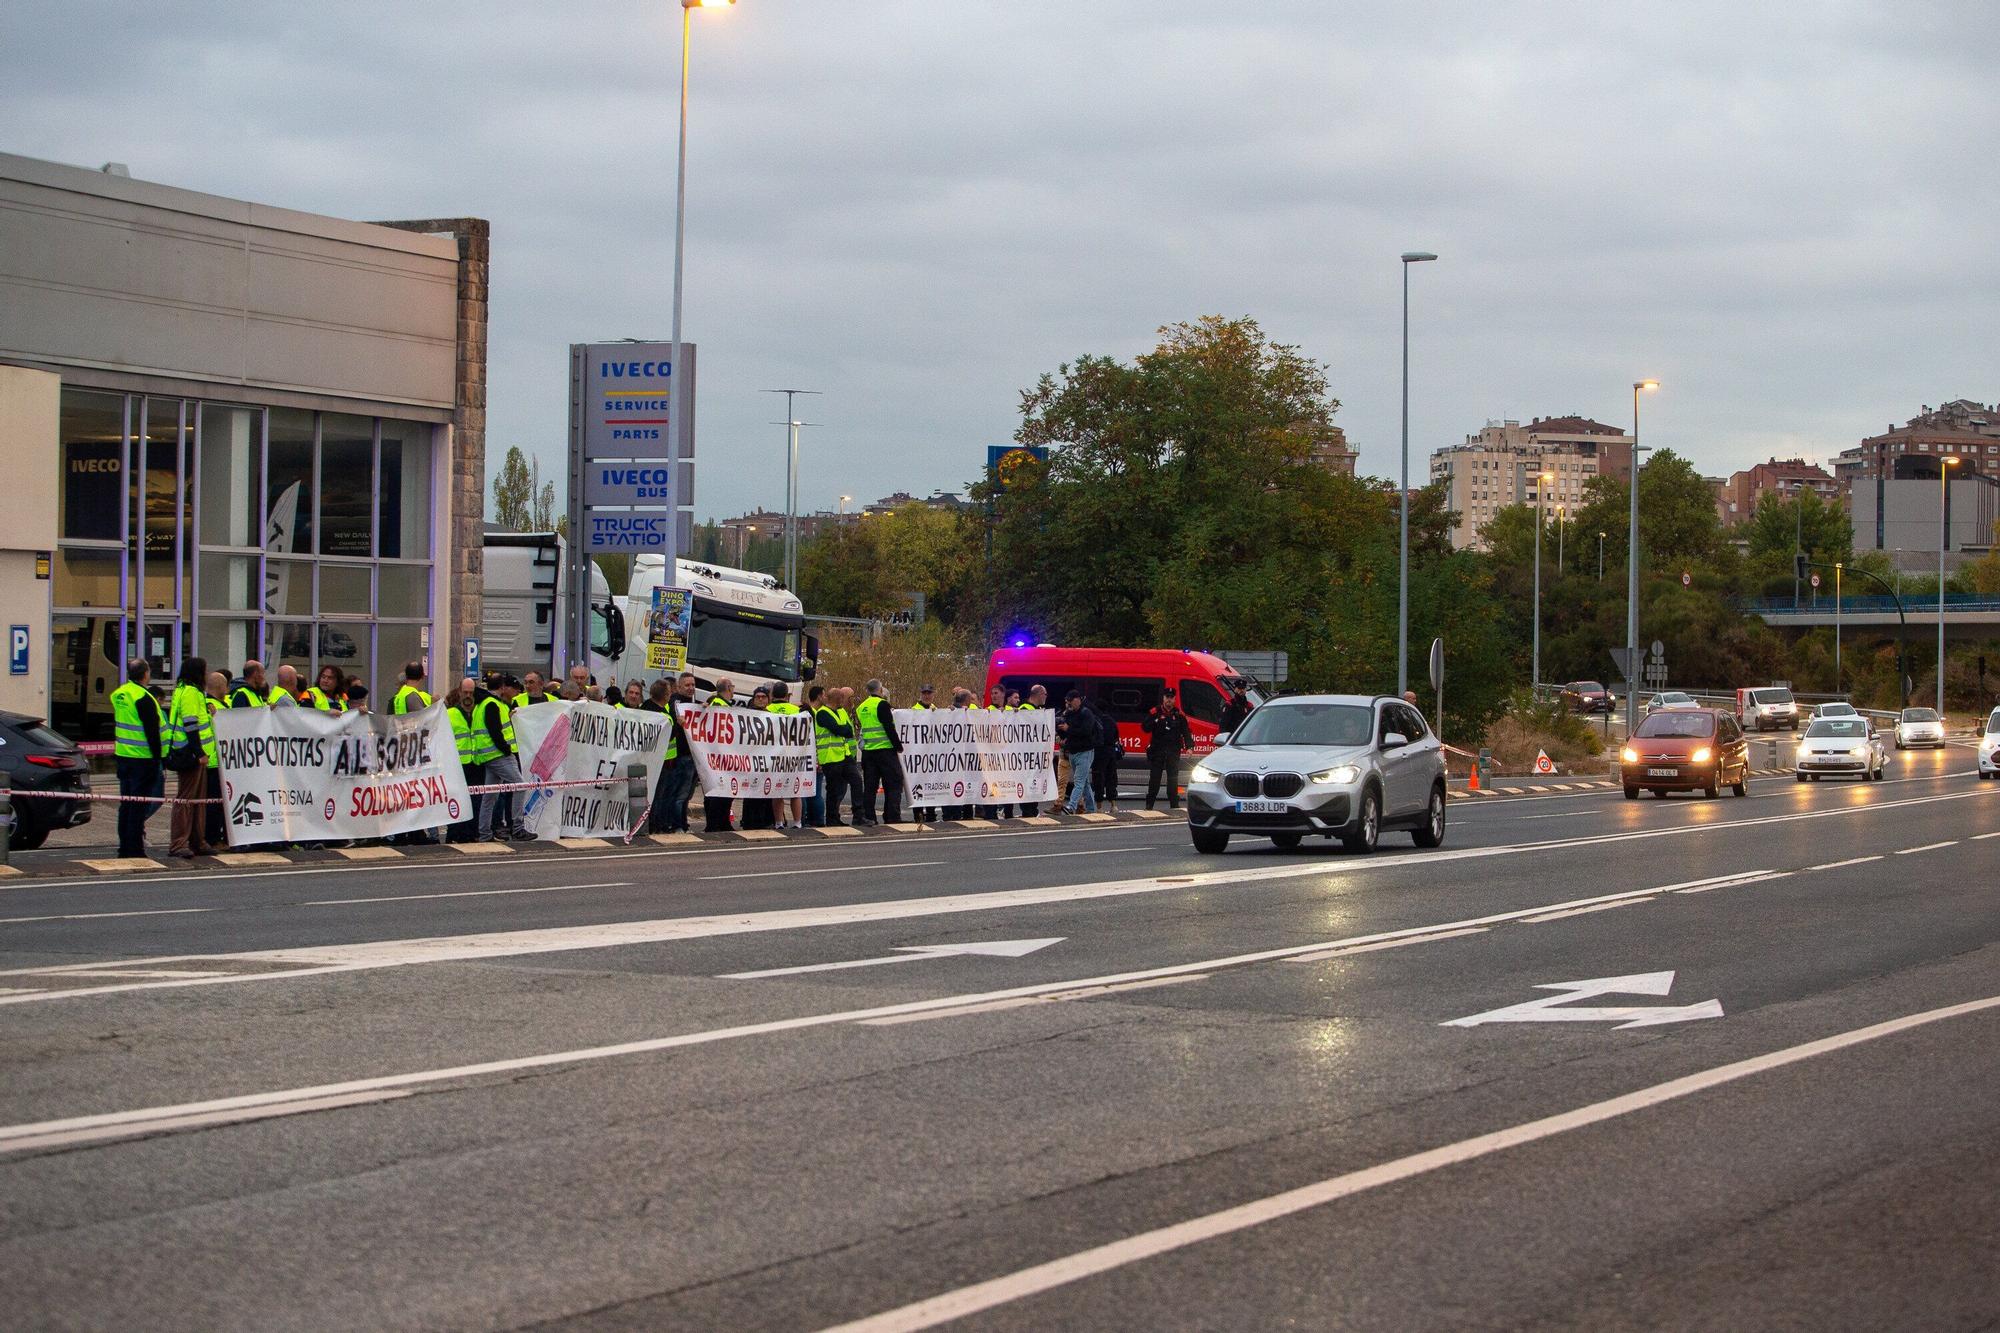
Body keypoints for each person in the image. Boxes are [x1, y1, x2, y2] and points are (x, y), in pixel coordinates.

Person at [110, 658, 166, 859]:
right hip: (142, 759)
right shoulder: (144, 697)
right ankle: (135, 849)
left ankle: (125, 846)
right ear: (145, 674)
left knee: (126, 804)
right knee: (138, 806)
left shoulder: (120, 694)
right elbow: (152, 732)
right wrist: (157, 759)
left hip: (123, 756)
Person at [164, 656, 215, 859]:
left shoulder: (184, 690)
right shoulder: (191, 693)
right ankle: (180, 843)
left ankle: (197, 841)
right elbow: (191, 725)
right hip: (191, 754)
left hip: (189, 752)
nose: (207, 674)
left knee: (197, 800)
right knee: (186, 800)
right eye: (204, 670)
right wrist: (200, 753)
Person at [473, 673, 526, 841]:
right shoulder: (492, 704)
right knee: (520, 786)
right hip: (499, 755)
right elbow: (495, 731)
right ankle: (518, 828)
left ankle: (485, 833)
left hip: (489, 755)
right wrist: (506, 750)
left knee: (490, 795)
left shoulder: (484, 703)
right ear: (502, 688)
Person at [656, 673, 700, 834]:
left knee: (686, 795)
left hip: (692, 756)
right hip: (680, 756)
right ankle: (676, 825)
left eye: (693, 685)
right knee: (678, 794)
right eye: (687, 685)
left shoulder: (693, 703)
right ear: (679, 687)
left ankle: (681, 823)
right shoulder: (675, 702)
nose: (691, 688)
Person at [856, 678, 904, 824]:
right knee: (894, 783)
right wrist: (898, 746)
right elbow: (889, 727)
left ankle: (869, 816)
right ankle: (892, 816)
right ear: (880, 690)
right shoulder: (882, 705)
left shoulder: (861, 707)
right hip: (885, 750)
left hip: (869, 752)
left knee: (870, 787)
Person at [1143, 687, 1193, 810]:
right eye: (1167, 697)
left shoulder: (1179, 714)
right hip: (1157, 751)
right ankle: (1149, 805)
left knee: (1173, 779)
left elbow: (1186, 731)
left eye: (1171, 698)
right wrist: (1156, 721)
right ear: (1163, 698)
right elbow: (1145, 727)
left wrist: (1189, 746)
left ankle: (1174, 804)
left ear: (1174, 699)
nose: (1168, 700)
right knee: (1154, 779)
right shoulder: (1155, 712)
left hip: (1173, 751)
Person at [445, 680, 480, 843]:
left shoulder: (478, 712)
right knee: (456, 800)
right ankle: (453, 834)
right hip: (457, 764)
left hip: (476, 763)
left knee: (475, 801)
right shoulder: (450, 713)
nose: (468, 696)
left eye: (471, 693)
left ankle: (470, 834)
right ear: (459, 692)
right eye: (465, 692)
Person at [701, 677, 737, 833]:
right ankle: (714, 824)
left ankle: (723, 822)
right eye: (733, 687)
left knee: (726, 792)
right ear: (728, 688)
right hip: (718, 756)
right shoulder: (718, 705)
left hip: (726, 756)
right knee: (717, 792)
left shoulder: (723, 704)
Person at [767, 682, 804, 830]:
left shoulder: (767, 709)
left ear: (772, 695)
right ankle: (797, 822)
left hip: (774, 755)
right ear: (787, 695)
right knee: (795, 791)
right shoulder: (796, 710)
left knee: (777, 791)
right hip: (793, 755)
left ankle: (779, 823)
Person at [738, 687, 776, 830]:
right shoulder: (746, 714)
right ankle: (749, 821)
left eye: (763, 697)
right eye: (757, 697)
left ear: (768, 699)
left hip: (766, 761)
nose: (760, 699)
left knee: (766, 792)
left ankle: (765, 820)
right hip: (750, 761)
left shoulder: (773, 716)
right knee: (751, 792)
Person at [826, 686, 864, 825]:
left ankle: (858, 815)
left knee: (856, 783)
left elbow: (850, 730)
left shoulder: (846, 712)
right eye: (850, 698)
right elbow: (843, 731)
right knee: (836, 790)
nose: (852, 701)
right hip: (834, 757)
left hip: (848, 756)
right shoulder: (826, 713)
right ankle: (832, 817)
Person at [1059, 690, 1100, 814]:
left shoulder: (1086, 713)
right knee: (1085, 782)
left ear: (1077, 700)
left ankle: (1071, 806)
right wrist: (1062, 728)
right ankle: (1091, 808)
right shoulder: (1069, 714)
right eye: (1067, 702)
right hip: (1073, 751)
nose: (1068, 705)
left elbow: (1086, 731)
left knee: (1078, 780)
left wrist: (1069, 729)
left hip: (1085, 751)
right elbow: (1064, 732)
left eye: (1070, 702)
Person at [203, 669, 230, 848]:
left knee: (218, 804)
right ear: (221, 686)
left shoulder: (219, 704)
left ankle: (216, 836)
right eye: (226, 685)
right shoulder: (212, 707)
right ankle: (212, 838)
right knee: (213, 805)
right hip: (214, 763)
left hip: (220, 762)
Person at [1020, 684, 1049, 817]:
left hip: (1036, 755)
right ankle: (1027, 810)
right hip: (1026, 755)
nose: (1046, 697)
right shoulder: (1024, 709)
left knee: (1035, 783)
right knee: (1027, 783)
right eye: (1045, 694)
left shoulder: (1038, 709)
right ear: (1038, 694)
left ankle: (1033, 809)